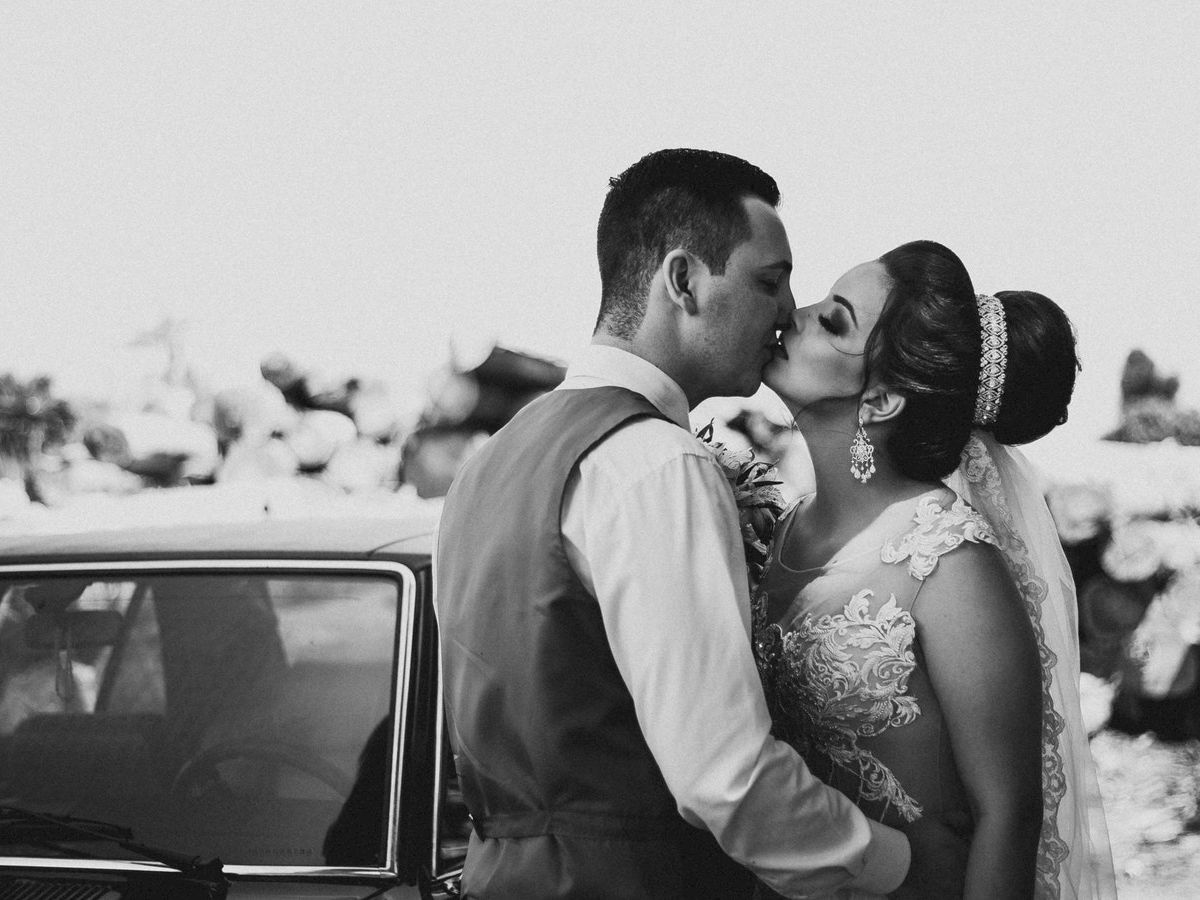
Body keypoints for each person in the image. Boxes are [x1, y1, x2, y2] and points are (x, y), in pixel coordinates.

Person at [435, 149, 913, 898]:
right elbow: (725, 778)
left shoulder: (492, 462)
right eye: (768, 281)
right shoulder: (657, 466)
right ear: (683, 280)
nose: (788, 313)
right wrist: (896, 866)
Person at [757, 240, 1117, 898]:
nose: (795, 313)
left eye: (833, 320)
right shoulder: (782, 527)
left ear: (882, 400)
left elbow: (1008, 816)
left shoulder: (948, 559)